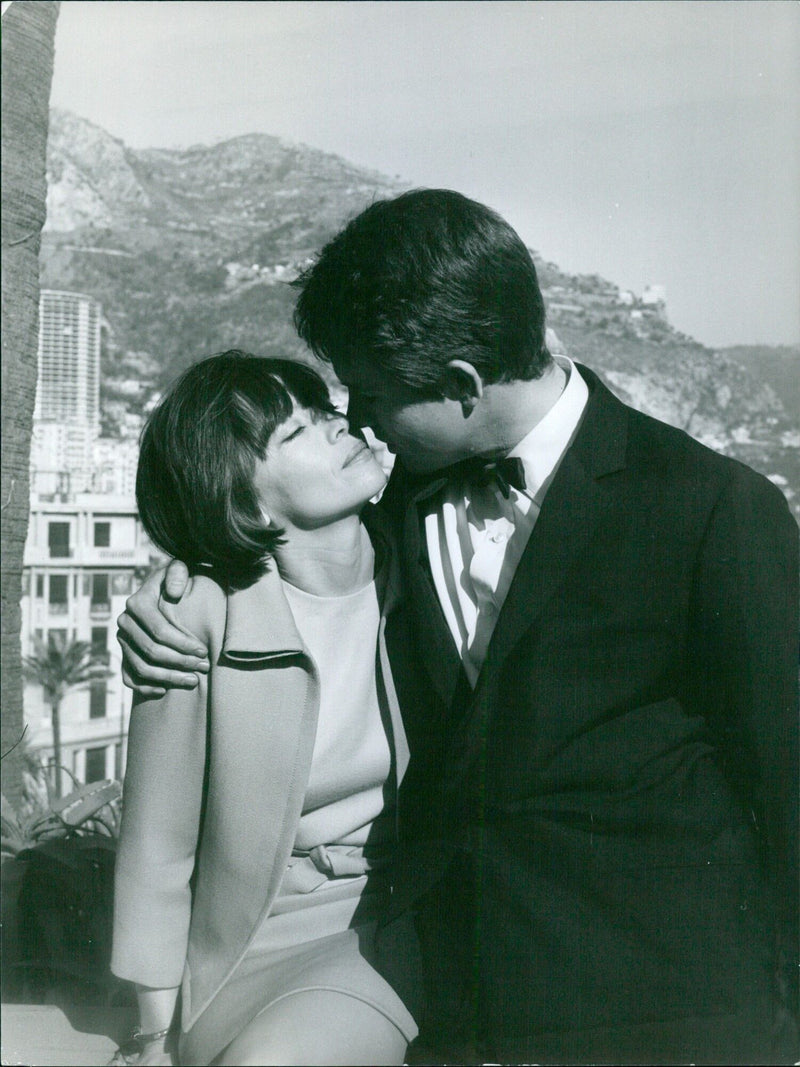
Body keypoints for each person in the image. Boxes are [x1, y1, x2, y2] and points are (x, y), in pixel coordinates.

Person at [118, 190, 799, 1065]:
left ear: (461, 387)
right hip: (459, 992)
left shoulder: (711, 508)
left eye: (369, 395)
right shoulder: (389, 497)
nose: (356, 419)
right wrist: (172, 584)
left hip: (666, 1008)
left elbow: (782, 776)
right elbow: (262, 534)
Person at [110, 352, 420, 1067]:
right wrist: (153, 1035)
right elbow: (158, 844)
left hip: (388, 923)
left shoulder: (427, 570)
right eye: (298, 431)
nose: (341, 426)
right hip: (242, 944)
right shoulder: (195, 618)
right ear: (246, 504)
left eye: (324, 412)